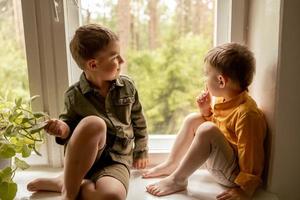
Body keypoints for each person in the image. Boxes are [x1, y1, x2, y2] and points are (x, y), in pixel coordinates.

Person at [27, 24, 149, 200]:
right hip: (81, 160)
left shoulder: (127, 87)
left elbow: (139, 121)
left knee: (112, 196)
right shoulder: (74, 95)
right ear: (93, 64)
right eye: (115, 57)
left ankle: (65, 183)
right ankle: (69, 193)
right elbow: (68, 126)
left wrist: (141, 150)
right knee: (94, 123)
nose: (122, 61)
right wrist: (62, 128)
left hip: (117, 160)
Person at [143, 43, 266, 200]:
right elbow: (222, 132)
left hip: (233, 178)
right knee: (194, 118)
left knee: (207, 129)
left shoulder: (247, 114)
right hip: (222, 166)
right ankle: (172, 164)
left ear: (221, 81)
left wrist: (245, 190)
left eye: (206, 74)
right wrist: (206, 111)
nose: (204, 79)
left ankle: (177, 180)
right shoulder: (226, 99)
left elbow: (253, 157)